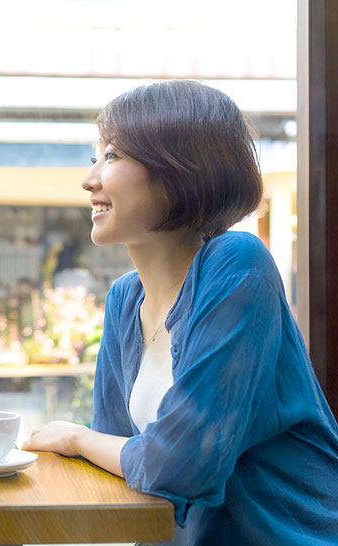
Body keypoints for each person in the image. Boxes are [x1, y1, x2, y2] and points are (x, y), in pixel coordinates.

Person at [23, 80, 338, 545]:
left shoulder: (237, 264)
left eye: (112, 157)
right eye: (96, 157)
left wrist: (75, 438)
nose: (90, 179)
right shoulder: (123, 299)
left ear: (177, 172)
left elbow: (180, 464)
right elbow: (120, 472)